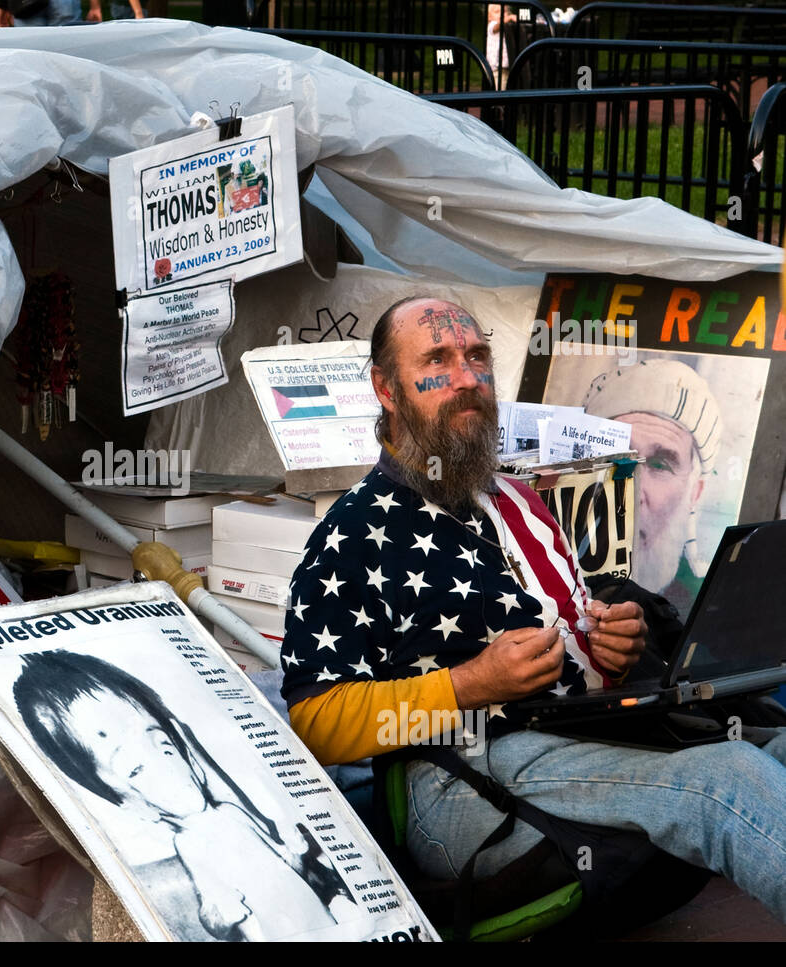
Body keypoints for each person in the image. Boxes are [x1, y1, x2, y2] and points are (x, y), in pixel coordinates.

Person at [281, 295, 786, 923]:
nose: (467, 378)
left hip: (574, 731)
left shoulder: (516, 500)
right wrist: (466, 685)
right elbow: (313, 720)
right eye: (438, 359)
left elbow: (581, 634)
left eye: (477, 357)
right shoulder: (355, 533)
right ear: (386, 388)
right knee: (727, 779)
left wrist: (616, 649)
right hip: (458, 780)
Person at [13, 649, 370, 940]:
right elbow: (212, 913)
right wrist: (222, 910)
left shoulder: (231, 808)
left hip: (315, 916)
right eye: (136, 770)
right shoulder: (191, 846)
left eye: (163, 743)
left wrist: (293, 846)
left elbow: (287, 858)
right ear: (129, 801)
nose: (167, 766)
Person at [582, 358, 720, 613]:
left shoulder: (711, 606)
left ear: (694, 493)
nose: (631, 493)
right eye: (615, 458)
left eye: (660, 465)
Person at [0, 0, 102, 27]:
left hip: (25, 3)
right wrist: (95, 6)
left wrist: (3, 5)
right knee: (69, 52)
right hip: (64, 4)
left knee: (30, 53)